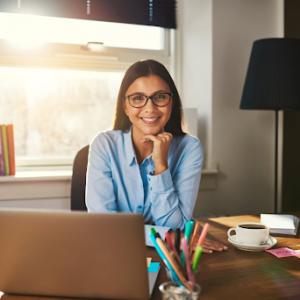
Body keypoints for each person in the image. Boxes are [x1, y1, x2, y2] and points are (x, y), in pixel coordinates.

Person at [86, 59, 227, 253]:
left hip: (169, 256)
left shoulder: (189, 148)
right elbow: (104, 226)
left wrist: (161, 166)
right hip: (116, 251)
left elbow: (176, 226)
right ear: (125, 107)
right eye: (137, 98)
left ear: (172, 103)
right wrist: (169, 237)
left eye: (159, 97)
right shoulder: (104, 145)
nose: (150, 108)